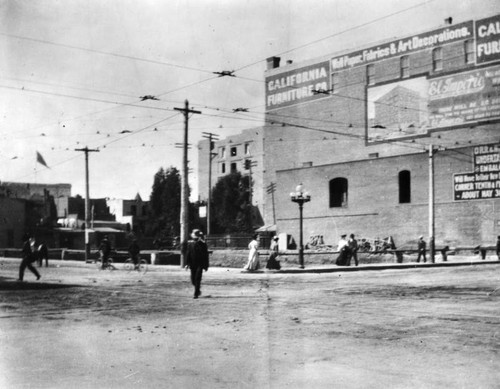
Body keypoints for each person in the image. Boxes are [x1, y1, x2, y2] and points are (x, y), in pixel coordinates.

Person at [185, 229, 209, 299]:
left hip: (200, 264)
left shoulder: (203, 244)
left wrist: (206, 266)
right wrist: (187, 264)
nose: (195, 238)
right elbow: (188, 254)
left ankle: (196, 294)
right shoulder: (190, 244)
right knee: (193, 280)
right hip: (192, 264)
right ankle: (197, 290)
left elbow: (205, 255)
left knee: (197, 278)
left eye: (196, 236)